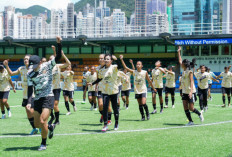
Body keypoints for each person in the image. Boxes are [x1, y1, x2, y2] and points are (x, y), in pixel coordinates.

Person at [27, 36, 62, 151]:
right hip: (37, 99)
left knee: (42, 121)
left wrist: (59, 44)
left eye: (35, 65)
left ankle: (43, 144)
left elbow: (58, 57)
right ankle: (51, 127)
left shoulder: (47, 65)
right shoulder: (30, 73)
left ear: (39, 63)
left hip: (48, 96)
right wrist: (28, 101)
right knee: (37, 124)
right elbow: (30, 88)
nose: (33, 68)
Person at [3, 55, 39, 134]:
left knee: (32, 111)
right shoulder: (21, 68)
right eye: (24, 59)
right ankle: (34, 128)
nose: (25, 60)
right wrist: (7, 66)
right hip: (25, 95)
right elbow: (11, 74)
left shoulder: (34, 68)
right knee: (28, 112)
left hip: (33, 94)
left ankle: (39, 125)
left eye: (27, 59)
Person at [120, 55, 157, 121]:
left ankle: (147, 113)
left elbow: (149, 81)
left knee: (143, 103)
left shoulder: (144, 72)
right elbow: (125, 67)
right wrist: (121, 59)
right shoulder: (134, 72)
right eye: (137, 64)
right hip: (137, 90)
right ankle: (142, 116)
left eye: (139, 64)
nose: (138, 65)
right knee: (140, 104)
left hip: (143, 90)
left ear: (142, 66)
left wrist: (153, 88)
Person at [90, 54, 121, 132]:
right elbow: (99, 79)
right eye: (105, 59)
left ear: (111, 61)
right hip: (105, 91)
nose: (106, 60)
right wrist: (93, 83)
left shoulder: (114, 67)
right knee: (105, 107)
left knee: (114, 108)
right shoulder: (101, 70)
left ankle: (116, 122)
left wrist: (116, 59)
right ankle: (105, 125)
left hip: (113, 91)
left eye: (108, 59)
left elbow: (120, 67)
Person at [177, 46, 204, 126]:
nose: (181, 64)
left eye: (182, 64)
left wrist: (191, 92)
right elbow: (180, 60)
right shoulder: (184, 71)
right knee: (185, 107)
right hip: (185, 91)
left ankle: (199, 114)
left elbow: (192, 82)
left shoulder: (189, 72)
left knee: (191, 108)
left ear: (185, 65)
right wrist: (179, 52)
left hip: (190, 92)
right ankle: (190, 121)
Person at [48, 45, 71, 125]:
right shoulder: (47, 67)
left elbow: (68, 63)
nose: (51, 60)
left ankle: (57, 119)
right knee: (49, 106)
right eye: (50, 59)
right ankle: (52, 117)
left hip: (56, 88)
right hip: (48, 89)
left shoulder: (58, 66)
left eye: (52, 59)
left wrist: (63, 55)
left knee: (55, 105)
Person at [95, 54, 112, 125]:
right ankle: (103, 115)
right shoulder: (97, 68)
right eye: (99, 58)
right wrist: (96, 86)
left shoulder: (110, 68)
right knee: (100, 105)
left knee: (107, 105)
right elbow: (97, 78)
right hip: (100, 89)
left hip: (108, 88)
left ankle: (109, 120)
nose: (100, 60)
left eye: (102, 58)